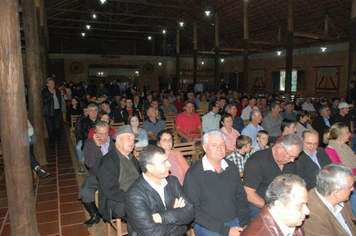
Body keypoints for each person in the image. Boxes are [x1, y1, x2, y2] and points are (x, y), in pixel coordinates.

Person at [184, 130, 251, 235]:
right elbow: (193, 211)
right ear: (205, 148)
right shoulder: (193, 174)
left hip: (235, 219)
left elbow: (241, 198)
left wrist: (245, 223)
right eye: (214, 145)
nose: (219, 148)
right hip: (208, 224)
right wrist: (226, 231)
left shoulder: (231, 167)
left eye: (222, 144)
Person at [125, 145, 194, 235]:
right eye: (164, 162)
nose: (169, 164)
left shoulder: (172, 181)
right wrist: (181, 224)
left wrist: (161, 217)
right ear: (150, 168)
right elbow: (151, 232)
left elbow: (191, 211)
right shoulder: (134, 195)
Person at [244, 134, 302, 219]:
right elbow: (248, 193)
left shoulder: (290, 162)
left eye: (295, 158)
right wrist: (271, 208)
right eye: (291, 156)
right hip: (259, 204)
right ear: (281, 149)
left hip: (283, 203)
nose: (292, 160)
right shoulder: (256, 161)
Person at [96, 125, 141, 221]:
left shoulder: (132, 159)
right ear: (118, 140)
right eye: (128, 138)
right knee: (144, 211)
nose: (132, 142)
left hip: (137, 195)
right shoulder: (108, 161)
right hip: (118, 201)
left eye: (133, 139)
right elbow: (111, 191)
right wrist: (134, 197)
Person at [241, 174, 309, 236]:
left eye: (306, 204)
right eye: (300, 206)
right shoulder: (257, 233)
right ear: (279, 206)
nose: (307, 211)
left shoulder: (293, 223)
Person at [303, 163, 356, 236]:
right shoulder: (312, 216)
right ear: (336, 193)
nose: (353, 189)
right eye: (350, 187)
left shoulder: (342, 199)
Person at [79, 121, 115, 227]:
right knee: (85, 192)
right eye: (100, 134)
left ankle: (115, 213)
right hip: (95, 174)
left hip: (112, 174)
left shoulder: (114, 141)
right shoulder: (89, 143)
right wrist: (96, 147)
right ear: (95, 133)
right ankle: (95, 215)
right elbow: (89, 164)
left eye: (105, 133)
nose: (104, 137)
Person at [324, 122, 356, 216]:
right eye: (347, 132)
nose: (349, 134)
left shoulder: (345, 147)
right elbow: (340, 171)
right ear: (340, 135)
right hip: (343, 183)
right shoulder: (330, 150)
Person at [42, 77, 62, 150]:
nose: (52, 84)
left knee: (57, 127)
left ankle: (56, 137)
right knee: (50, 128)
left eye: (53, 83)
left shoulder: (57, 91)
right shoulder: (45, 91)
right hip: (49, 112)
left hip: (56, 111)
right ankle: (51, 143)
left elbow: (59, 101)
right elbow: (45, 101)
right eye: (50, 83)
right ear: (47, 84)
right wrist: (51, 94)